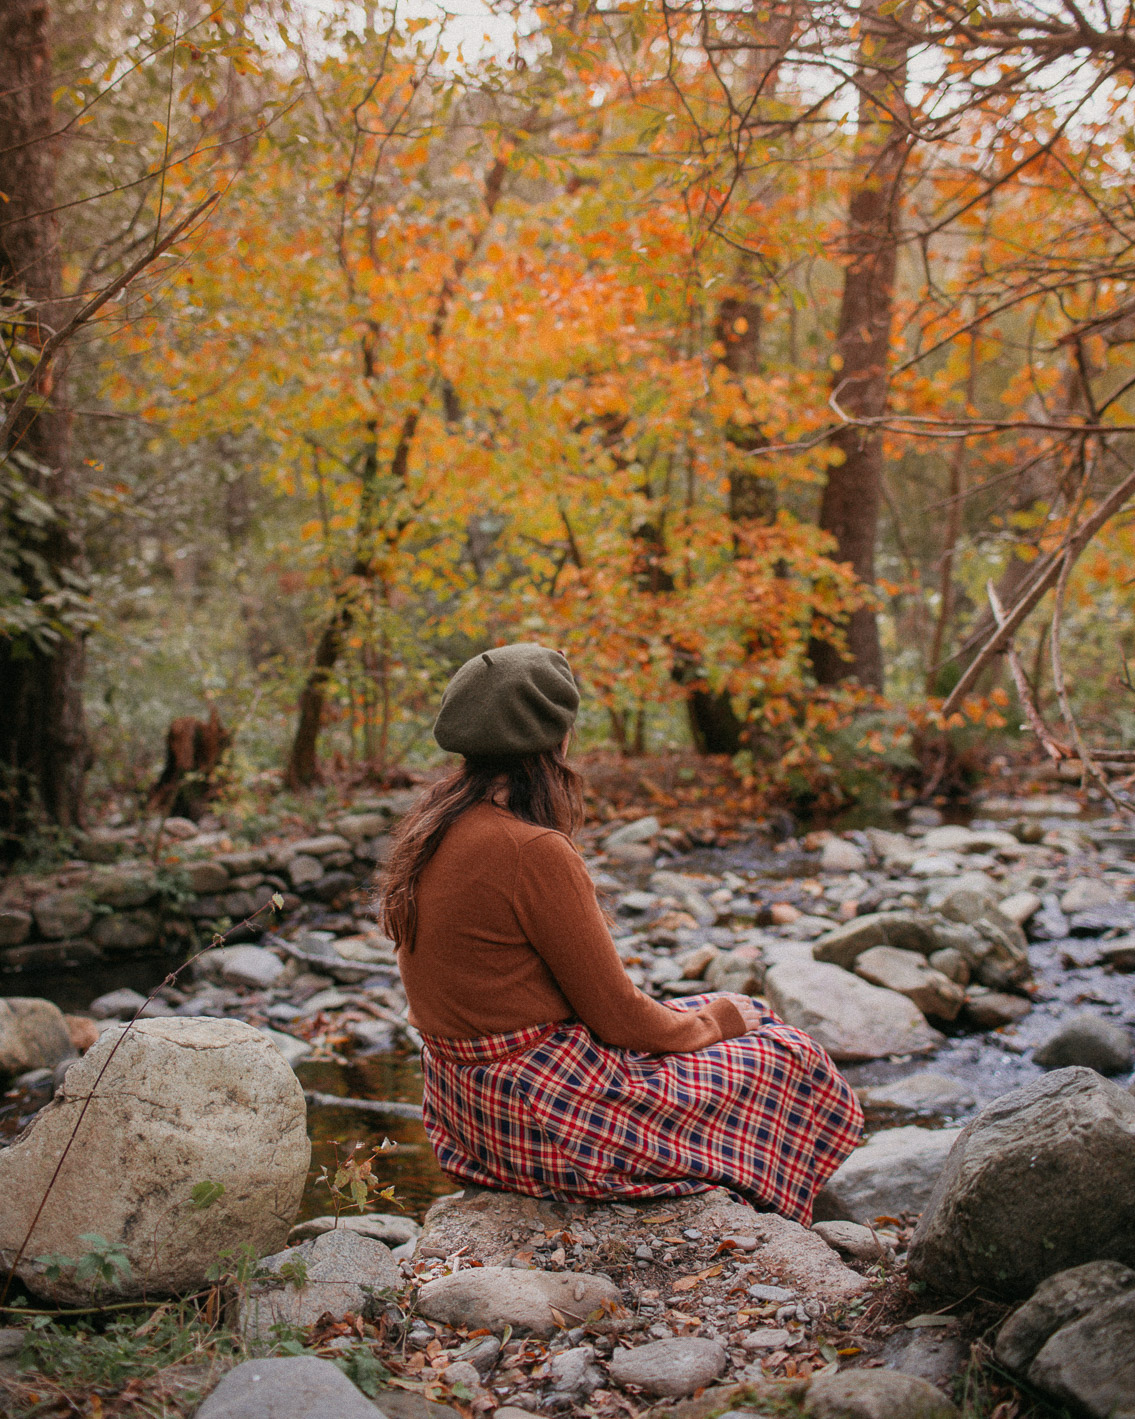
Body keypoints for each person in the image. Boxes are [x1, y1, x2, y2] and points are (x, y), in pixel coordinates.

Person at [382, 643, 862, 1224]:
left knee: (735, 1010)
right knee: (787, 1052)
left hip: (469, 1115)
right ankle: (783, 1219)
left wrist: (710, 1018)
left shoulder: (433, 827)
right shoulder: (531, 849)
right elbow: (617, 1016)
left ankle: (770, 1197)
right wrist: (716, 1024)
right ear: (557, 740)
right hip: (545, 1116)